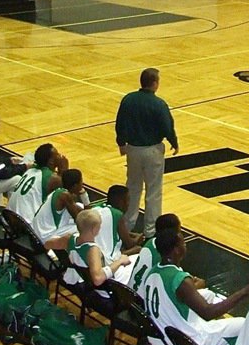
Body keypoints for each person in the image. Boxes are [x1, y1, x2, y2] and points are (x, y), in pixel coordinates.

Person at [139, 228, 249, 345]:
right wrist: (245, 291)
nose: (185, 246)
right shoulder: (180, 280)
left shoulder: (153, 272)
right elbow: (208, 312)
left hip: (158, 339)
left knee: (207, 297)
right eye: (183, 243)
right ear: (177, 250)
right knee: (243, 324)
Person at [115, 67, 179, 240]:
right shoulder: (159, 104)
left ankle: (128, 224)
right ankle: (151, 230)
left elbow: (120, 123)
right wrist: (174, 142)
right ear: (155, 84)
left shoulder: (128, 100)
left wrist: (121, 142)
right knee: (154, 190)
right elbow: (167, 126)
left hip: (133, 149)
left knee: (133, 187)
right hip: (152, 150)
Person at [64, 209, 132, 300]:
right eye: (99, 226)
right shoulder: (93, 250)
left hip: (83, 280)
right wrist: (120, 261)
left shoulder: (70, 238)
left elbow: (47, 244)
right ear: (94, 229)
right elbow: (97, 279)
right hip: (106, 291)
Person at [90, 184, 143, 281]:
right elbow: (129, 244)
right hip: (106, 263)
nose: (128, 204)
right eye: (127, 200)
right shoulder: (117, 214)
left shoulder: (95, 208)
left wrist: (130, 234)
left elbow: (109, 228)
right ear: (121, 202)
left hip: (91, 256)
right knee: (139, 249)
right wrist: (138, 238)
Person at [5, 142, 66, 223]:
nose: (60, 156)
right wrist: (64, 169)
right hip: (25, 225)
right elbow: (67, 192)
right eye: (58, 155)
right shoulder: (52, 178)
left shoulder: (29, 170)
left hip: (9, 217)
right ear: (51, 161)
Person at [33, 168, 87, 247]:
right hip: (44, 237)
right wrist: (85, 197)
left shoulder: (58, 191)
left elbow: (84, 212)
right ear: (75, 185)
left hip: (36, 232)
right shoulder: (65, 196)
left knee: (79, 206)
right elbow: (81, 221)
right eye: (81, 181)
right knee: (86, 229)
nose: (83, 184)